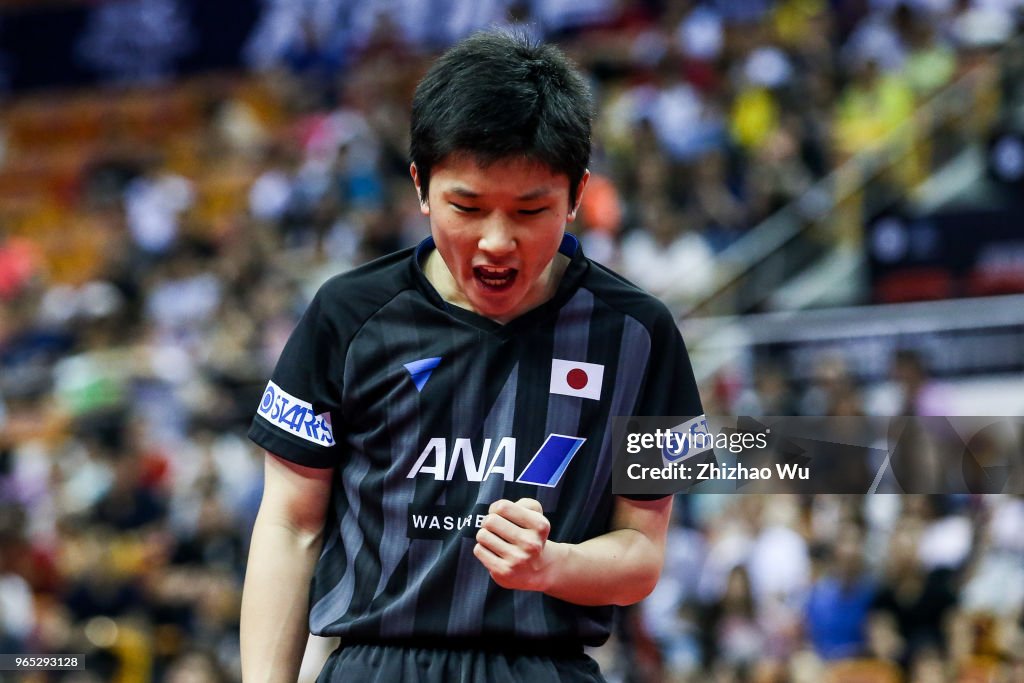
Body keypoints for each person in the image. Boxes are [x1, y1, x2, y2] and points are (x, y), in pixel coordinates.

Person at [240, 29, 705, 683]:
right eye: (467, 205)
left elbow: (643, 555)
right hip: (376, 668)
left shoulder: (642, 334)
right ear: (421, 186)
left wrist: (553, 566)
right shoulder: (346, 316)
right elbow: (289, 524)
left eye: (530, 209)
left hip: (546, 669)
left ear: (576, 196)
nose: (496, 241)